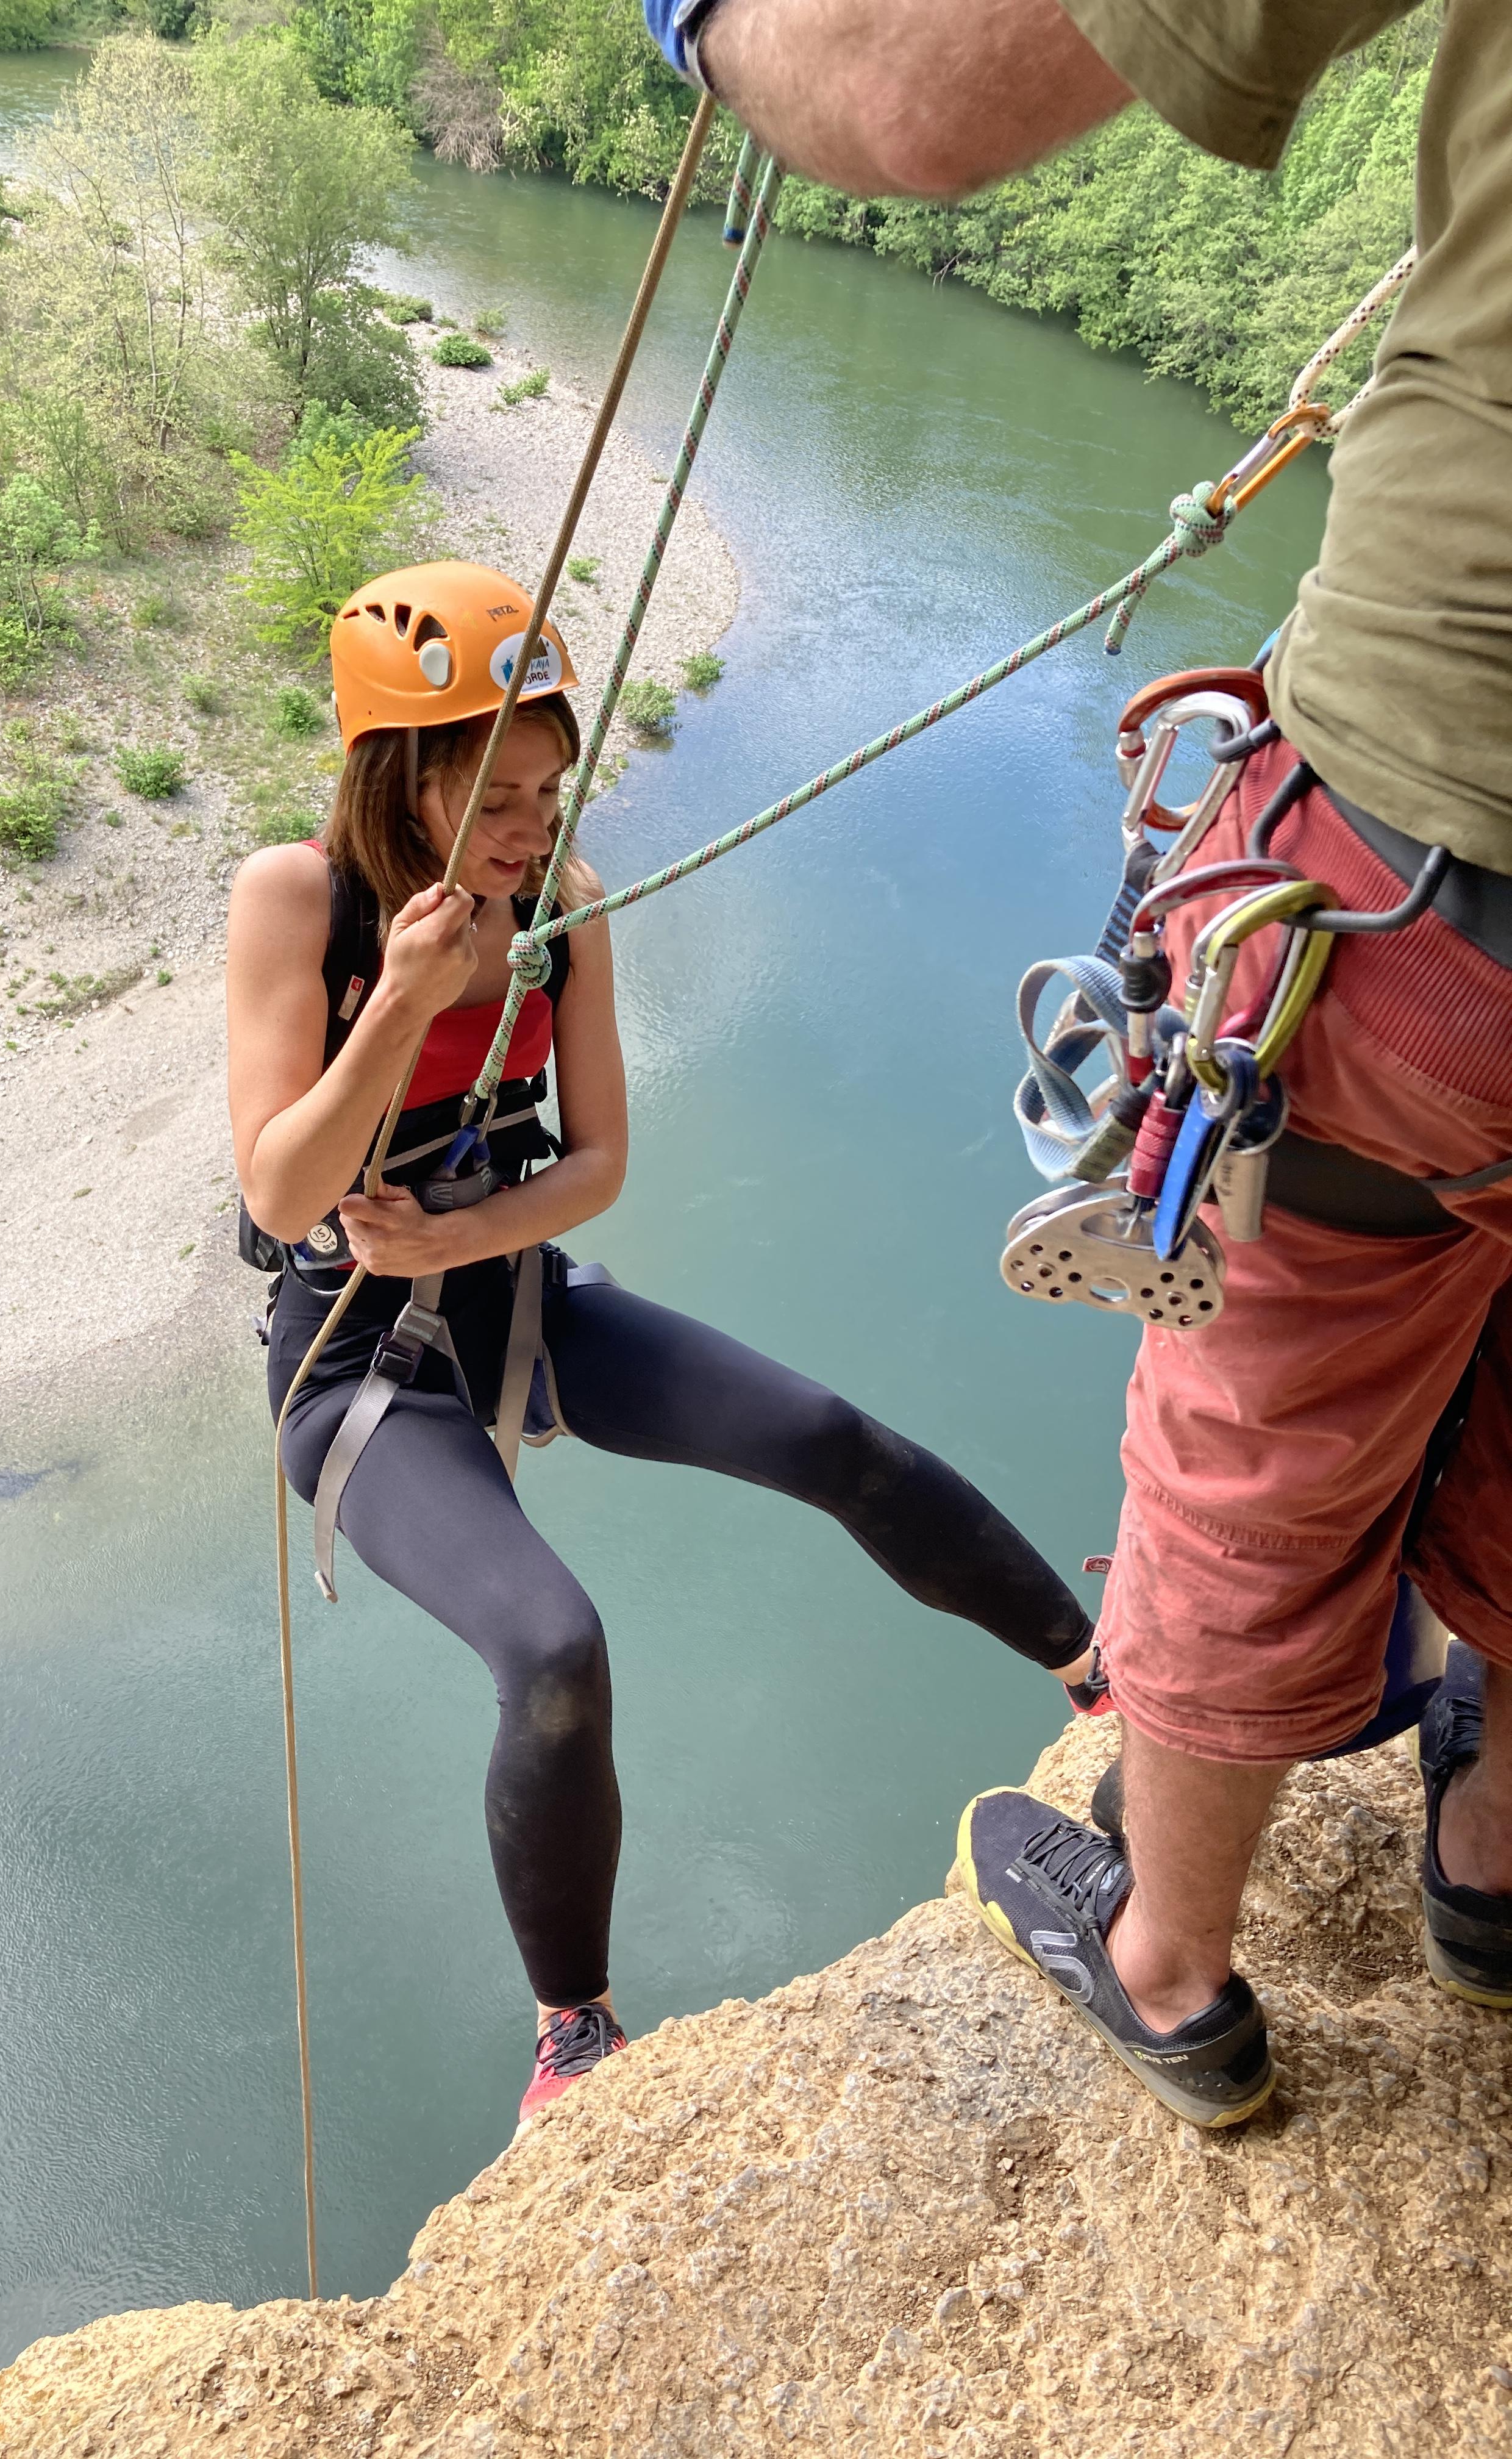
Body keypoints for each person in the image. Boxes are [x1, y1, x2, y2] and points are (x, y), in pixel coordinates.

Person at [643, 0, 1512, 2124]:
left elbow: (916, 94)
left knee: (1264, 1411)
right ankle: (1493, 1869)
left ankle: (1169, 1964)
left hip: (1438, 852)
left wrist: (708, 25)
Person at [227, 559, 1102, 2126]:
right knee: (553, 1649)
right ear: (395, 775)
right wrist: (401, 1001)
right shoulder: (302, 900)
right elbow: (281, 1183)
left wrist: (457, 1237)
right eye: (494, 797)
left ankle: (1098, 1673)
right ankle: (573, 2031)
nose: (531, 832)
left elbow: (598, 1163)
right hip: (358, 1366)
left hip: (517, 1294)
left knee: (831, 1437)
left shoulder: (561, 905)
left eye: (552, 792)